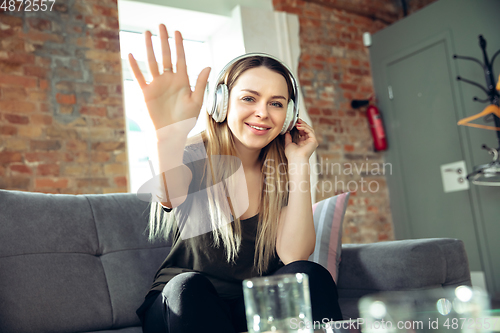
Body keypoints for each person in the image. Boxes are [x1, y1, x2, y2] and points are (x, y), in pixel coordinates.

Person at [128, 24, 343, 333]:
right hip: (185, 305)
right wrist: (170, 136)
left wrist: (299, 164)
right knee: (189, 288)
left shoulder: (283, 170)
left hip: (249, 304)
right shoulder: (190, 155)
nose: (263, 113)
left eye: (276, 103)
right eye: (249, 99)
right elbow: (168, 193)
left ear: (289, 115)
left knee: (309, 274)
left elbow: (294, 255)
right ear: (221, 103)